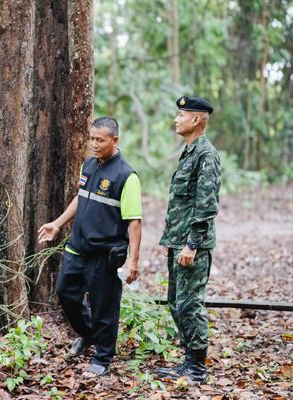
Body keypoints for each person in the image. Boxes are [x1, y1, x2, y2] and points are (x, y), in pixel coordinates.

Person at [38, 116, 142, 376]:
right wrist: (58, 223)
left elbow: (134, 223)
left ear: (115, 140)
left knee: (104, 307)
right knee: (66, 294)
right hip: (77, 248)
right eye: (92, 138)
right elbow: (81, 196)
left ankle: (103, 359)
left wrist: (133, 261)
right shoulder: (89, 164)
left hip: (104, 254)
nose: (94, 144)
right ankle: (89, 334)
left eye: (100, 140)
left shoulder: (126, 176)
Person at [157, 96, 220, 384]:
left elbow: (206, 205)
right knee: (175, 302)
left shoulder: (206, 154)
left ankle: (197, 369)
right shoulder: (189, 152)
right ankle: (188, 361)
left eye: (181, 115)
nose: (176, 119)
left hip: (192, 246)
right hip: (178, 242)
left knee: (189, 304)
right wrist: (174, 242)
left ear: (195, 119)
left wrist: (192, 244)